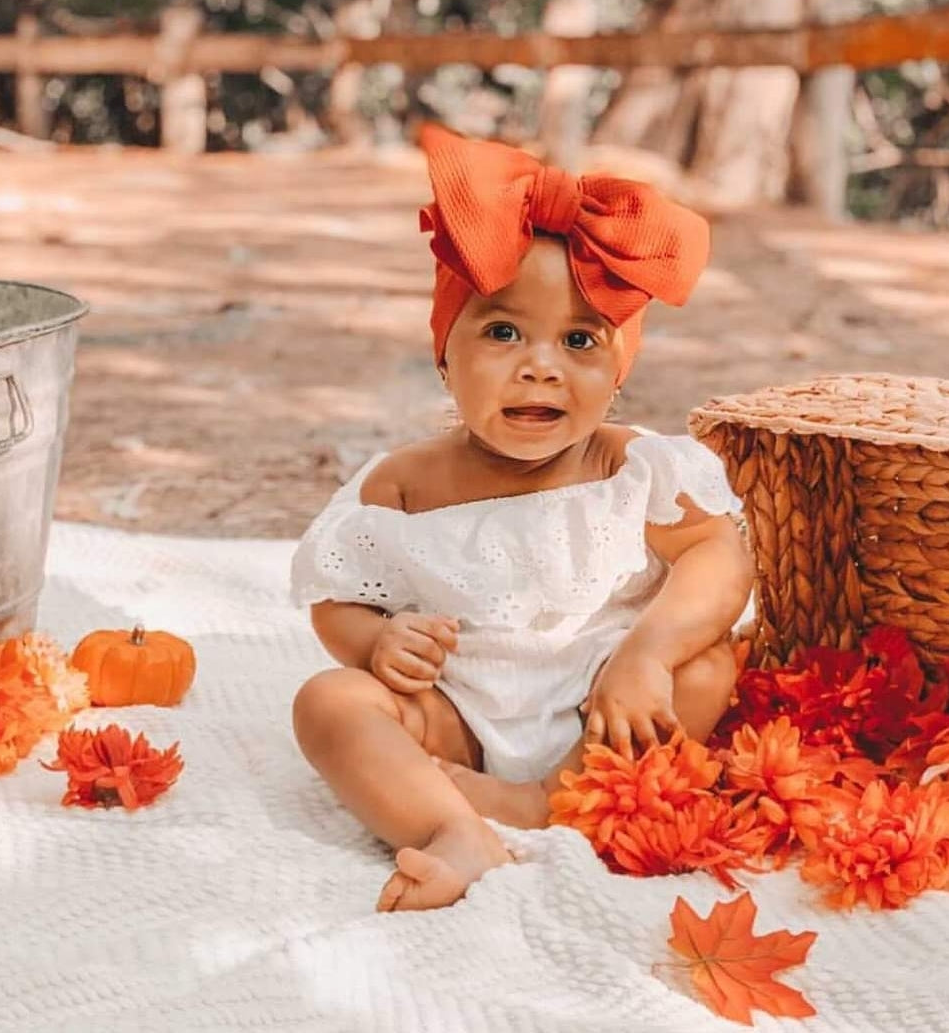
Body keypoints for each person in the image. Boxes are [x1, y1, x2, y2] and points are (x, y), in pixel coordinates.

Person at [289, 125, 753, 913]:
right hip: (459, 710)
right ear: (445, 354)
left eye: (580, 341)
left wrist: (646, 653)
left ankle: (554, 799)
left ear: (616, 377)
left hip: (606, 702)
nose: (539, 364)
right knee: (329, 702)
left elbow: (720, 554)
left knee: (707, 669)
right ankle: (451, 825)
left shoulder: (630, 467)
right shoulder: (403, 484)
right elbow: (339, 594)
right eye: (503, 331)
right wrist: (378, 641)